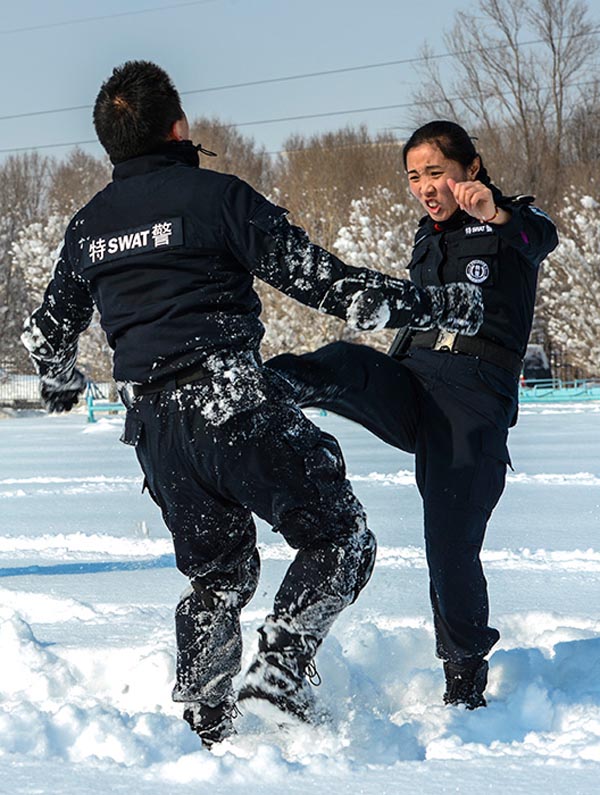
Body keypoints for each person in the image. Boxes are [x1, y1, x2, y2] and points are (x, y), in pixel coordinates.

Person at [21, 68, 483, 747]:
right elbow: (327, 284)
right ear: (178, 126)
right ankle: (281, 664)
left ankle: (210, 724)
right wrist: (434, 304)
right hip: (230, 401)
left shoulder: (90, 227)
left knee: (218, 575)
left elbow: (48, 335)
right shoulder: (215, 198)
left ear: (110, 145)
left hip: (154, 430)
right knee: (340, 538)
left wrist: (60, 381)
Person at [268, 120, 559, 710]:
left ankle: (464, 679)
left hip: (472, 402)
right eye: (413, 176)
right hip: (414, 383)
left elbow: (540, 240)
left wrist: (498, 211)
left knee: (448, 545)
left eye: (435, 172)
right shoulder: (425, 239)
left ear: (470, 168)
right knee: (344, 361)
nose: (425, 187)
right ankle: (260, 389)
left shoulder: (512, 226)